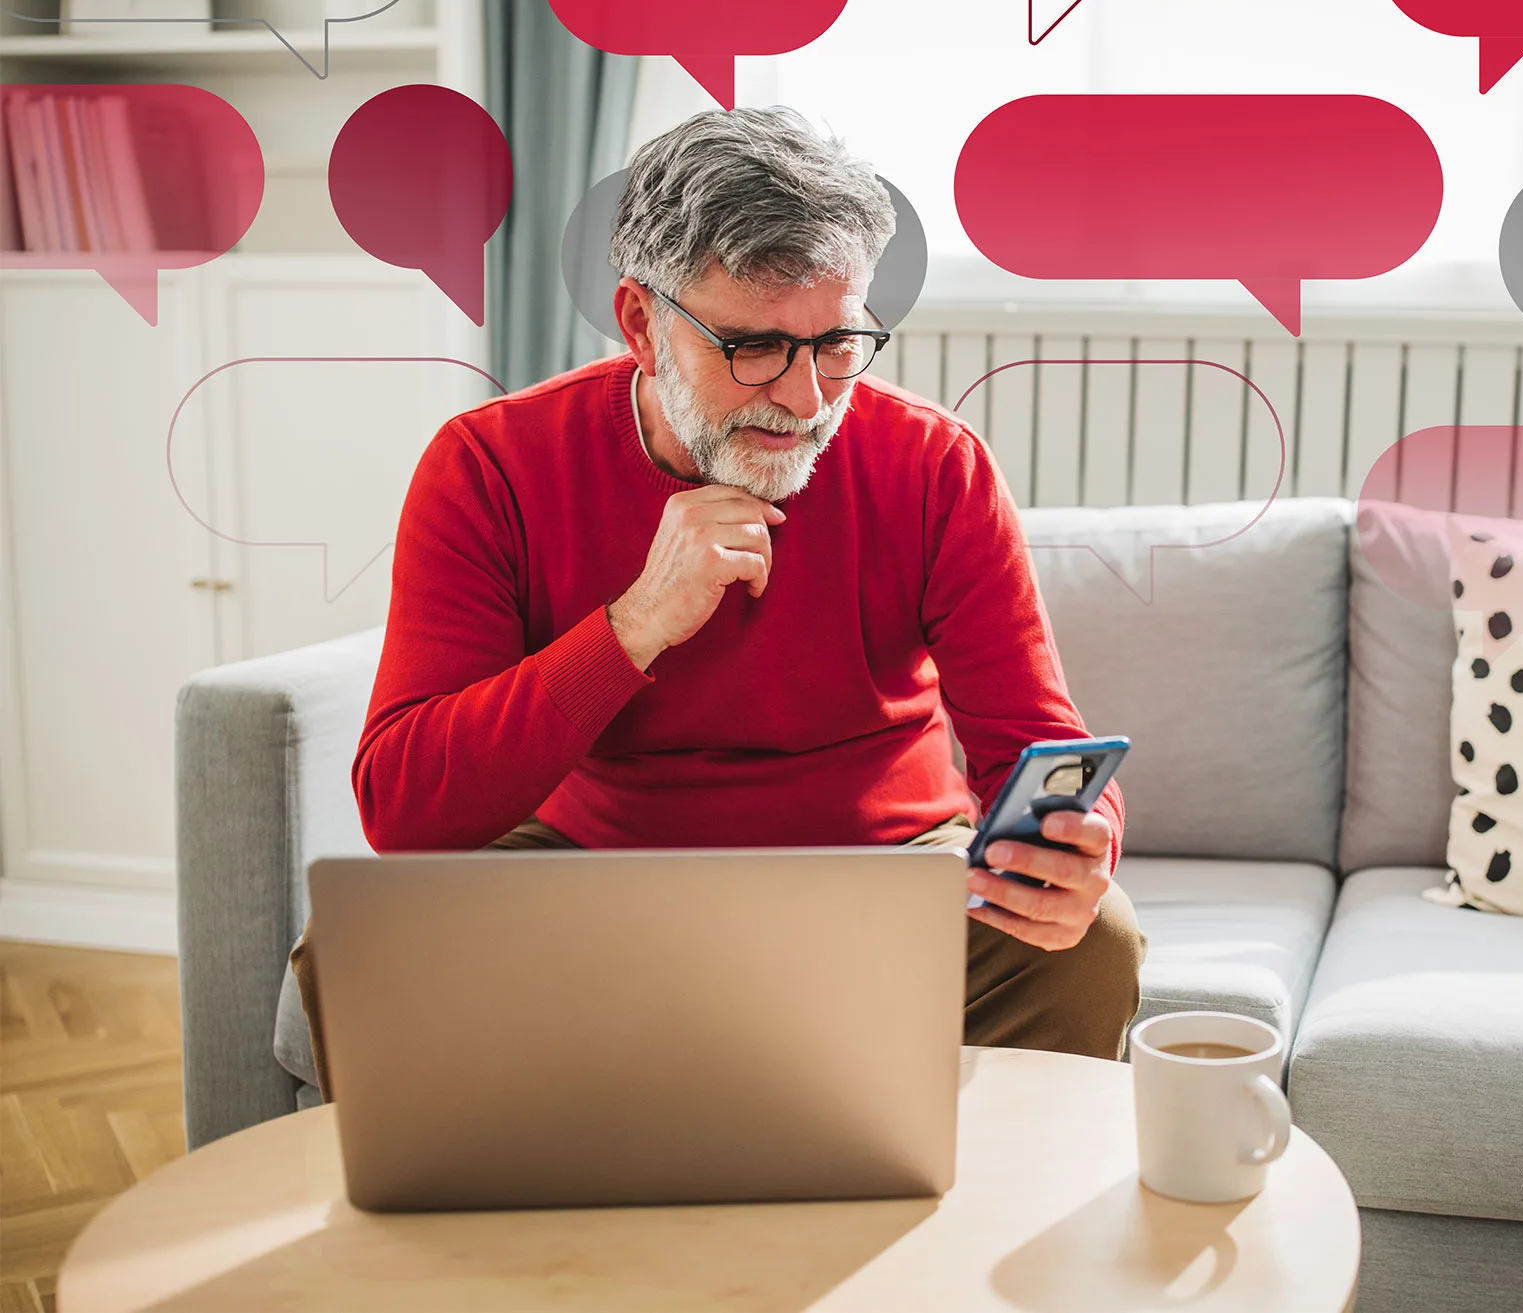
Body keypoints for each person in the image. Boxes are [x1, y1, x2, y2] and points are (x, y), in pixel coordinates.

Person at [288, 108, 1143, 1097]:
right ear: (642, 324)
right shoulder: (490, 466)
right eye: (754, 347)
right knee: (360, 947)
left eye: (838, 343)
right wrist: (636, 624)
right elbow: (403, 808)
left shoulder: (932, 464)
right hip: (593, 869)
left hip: (884, 866)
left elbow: (1039, 744)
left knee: (1093, 943)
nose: (807, 399)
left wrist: (1078, 844)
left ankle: (963, 1203)